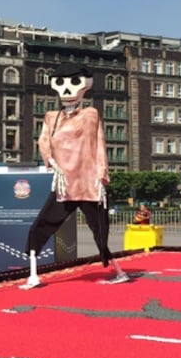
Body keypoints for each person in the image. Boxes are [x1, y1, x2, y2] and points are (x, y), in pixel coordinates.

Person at [21, 63, 128, 288]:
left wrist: (101, 175)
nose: (67, 90)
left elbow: (99, 144)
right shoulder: (52, 117)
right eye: (61, 83)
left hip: (88, 184)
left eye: (73, 82)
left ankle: (117, 270)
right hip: (65, 184)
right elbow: (43, 141)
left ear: (85, 86)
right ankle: (32, 275)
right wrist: (51, 162)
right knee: (41, 225)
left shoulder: (91, 114)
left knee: (100, 229)